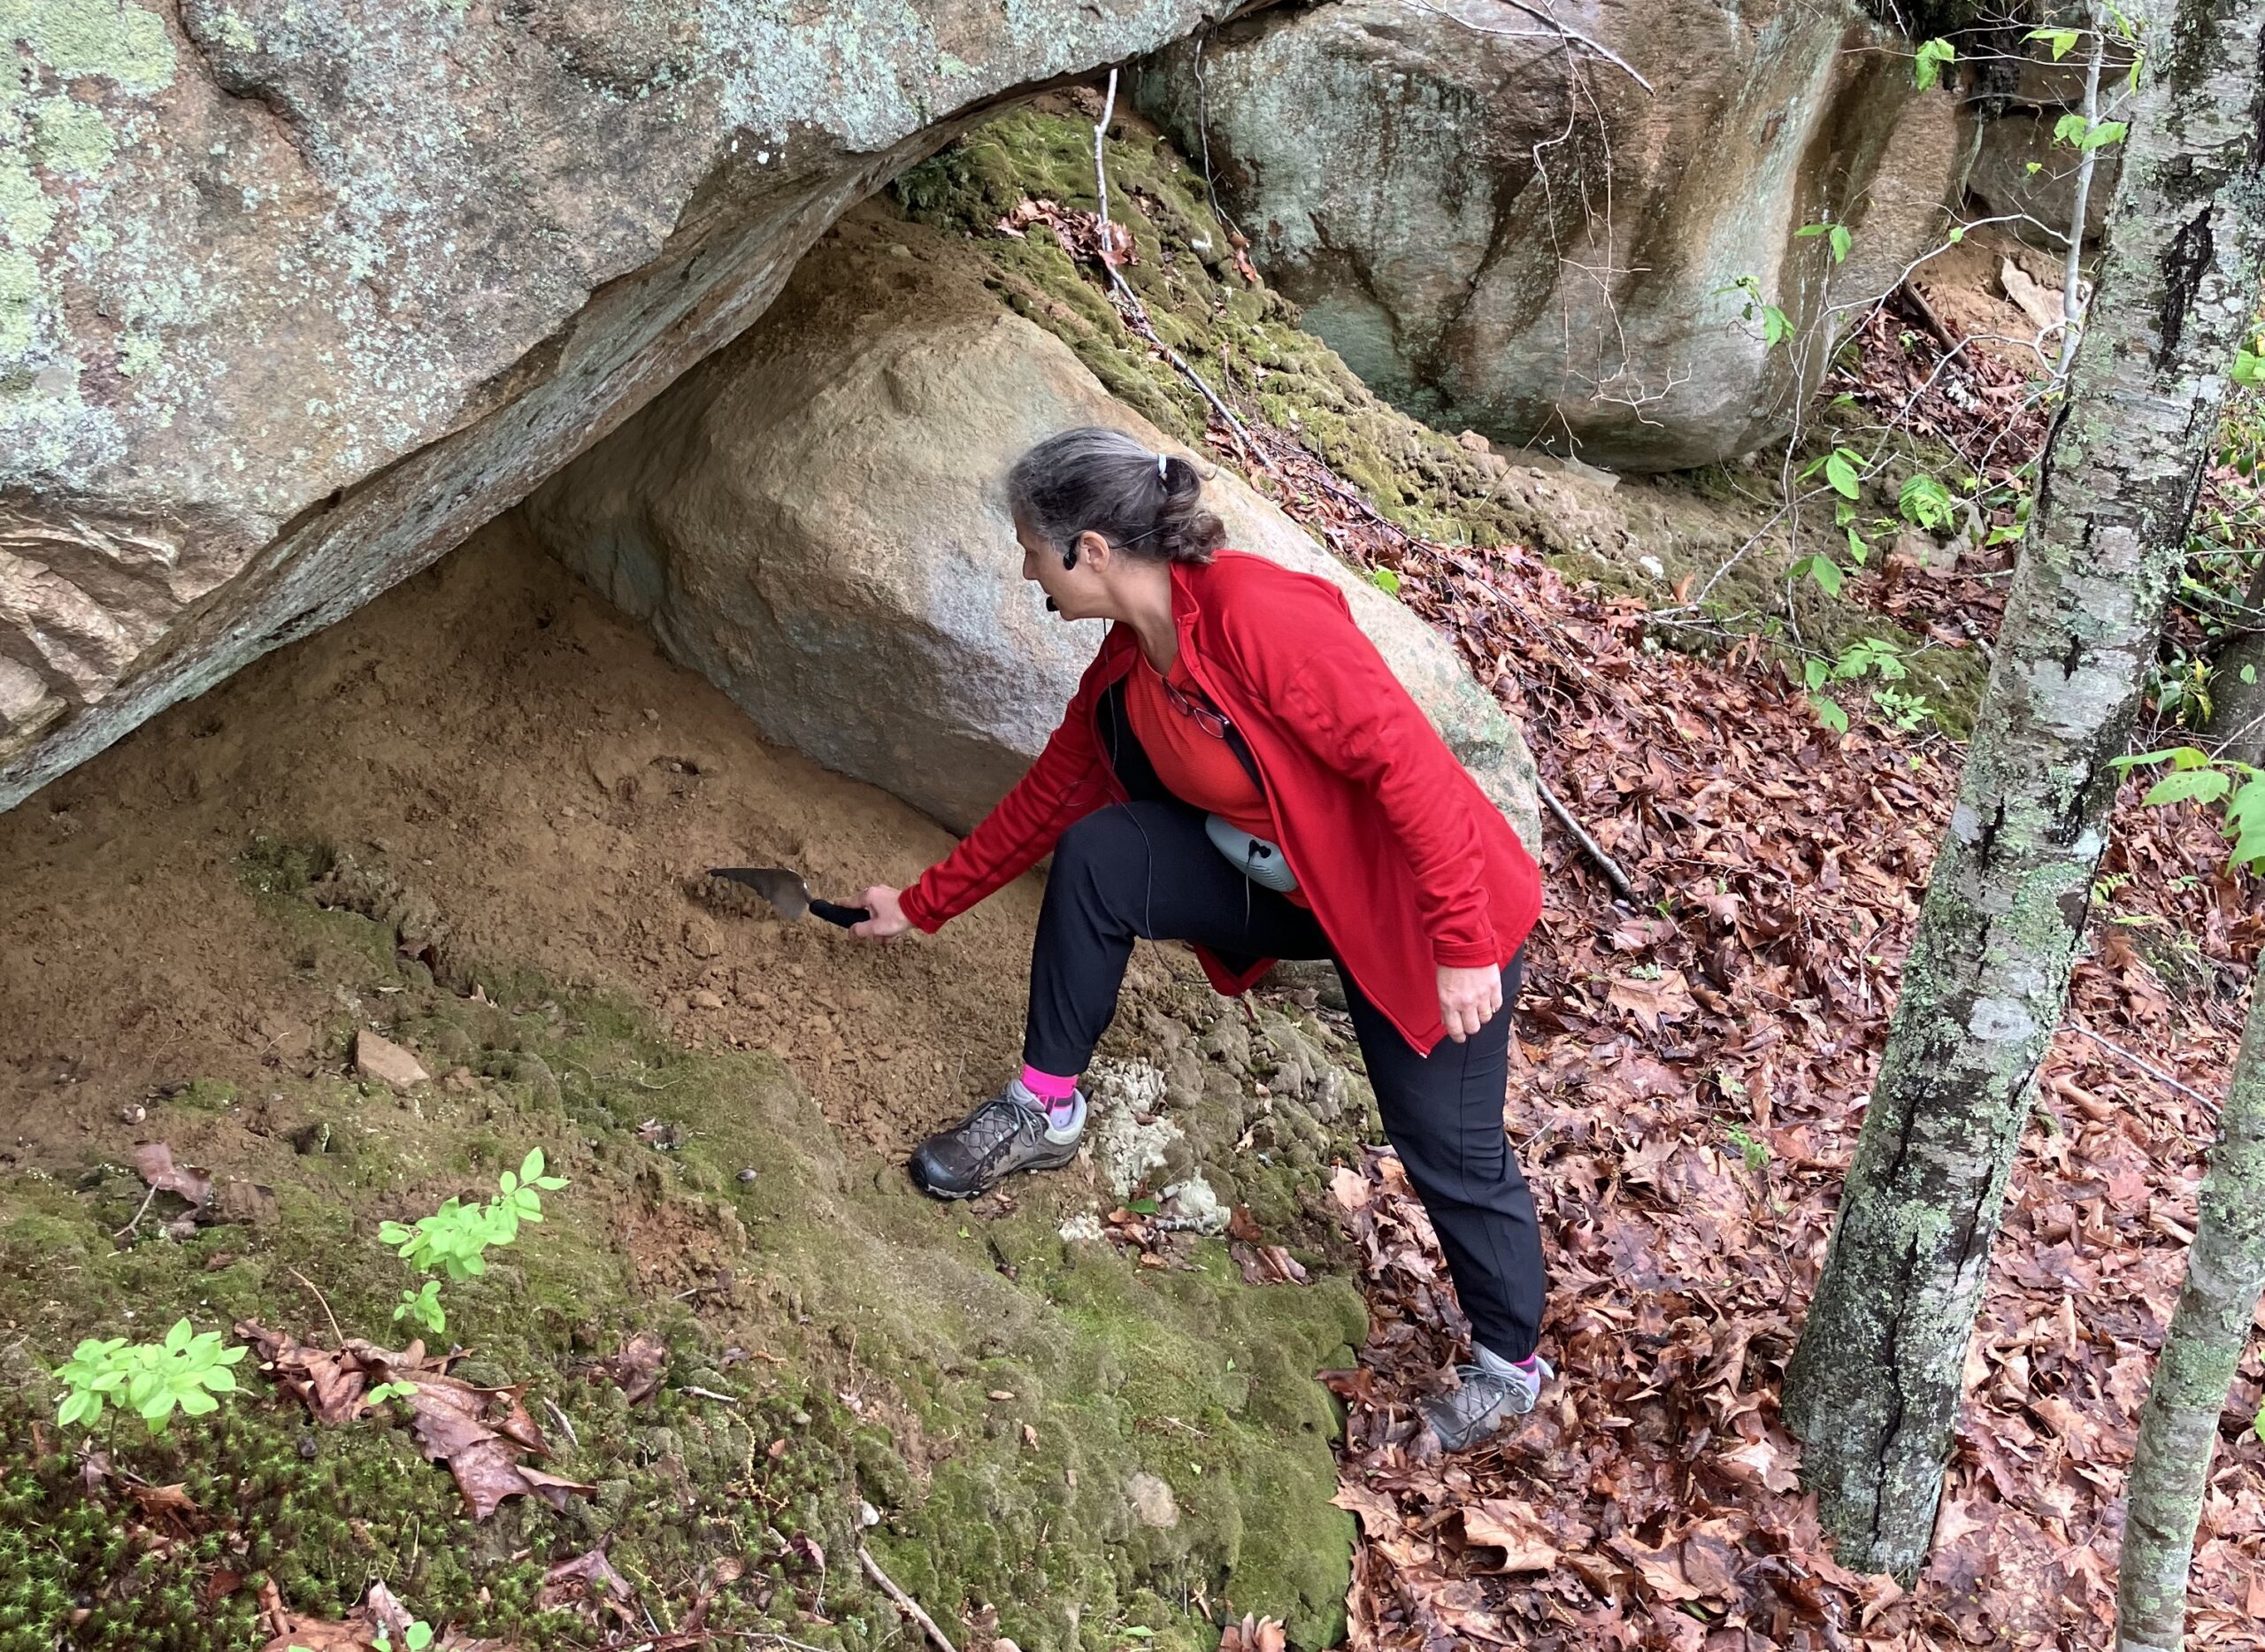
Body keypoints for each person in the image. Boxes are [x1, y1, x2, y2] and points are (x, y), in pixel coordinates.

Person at [849, 426, 1551, 1450]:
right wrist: (921, 904)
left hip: (1424, 913)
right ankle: (1043, 1109)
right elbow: (1053, 794)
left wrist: (1462, 941)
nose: (1023, 567)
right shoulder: (1130, 661)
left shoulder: (1258, 617)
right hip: (1291, 890)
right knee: (1097, 851)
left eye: (1029, 548)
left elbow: (1410, 767)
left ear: (1087, 549)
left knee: (1448, 1148)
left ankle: (1508, 1367)